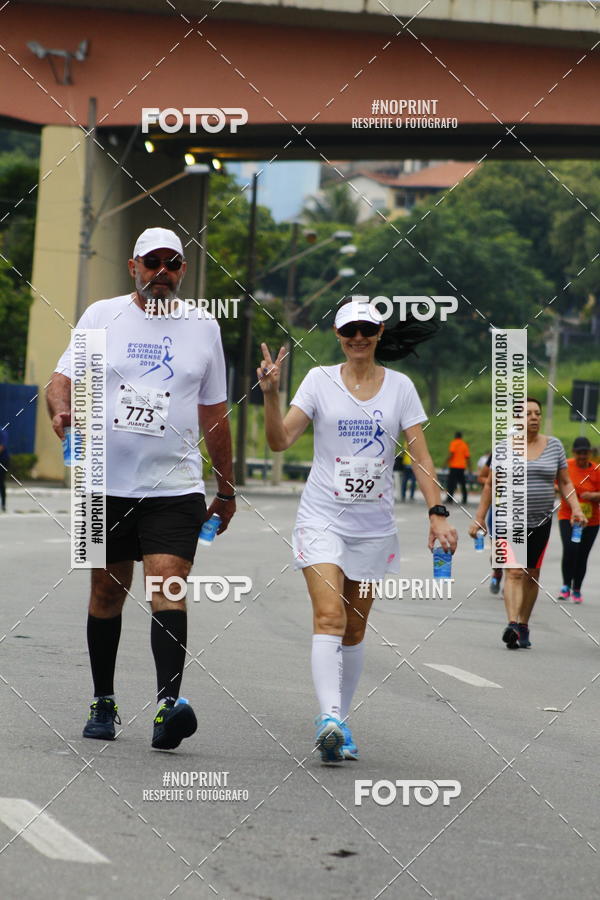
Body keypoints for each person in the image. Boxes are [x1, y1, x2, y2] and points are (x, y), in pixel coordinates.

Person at [47, 227, 236, 749]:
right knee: (107, 590)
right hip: (102, 482)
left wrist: (226, 487)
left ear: (183, 270)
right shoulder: (100, 317)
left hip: (174, 485)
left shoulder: (203, 327)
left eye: (172, 264)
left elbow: (214, 412)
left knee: (167, 584)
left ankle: (167, 708)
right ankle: (103, 701)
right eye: (152, 262)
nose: (162, 273)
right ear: (133, 265)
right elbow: (60, 379)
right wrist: (61, 408)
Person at [258, 297, 457, 762]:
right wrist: (269, 395)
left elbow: (420, 457)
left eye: (367, 329)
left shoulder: (401, 388)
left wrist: (437, 512)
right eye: (350, 331)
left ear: (380, 332)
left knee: (353, 628)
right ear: (337, 334)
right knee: (329, 616)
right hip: (322, 518)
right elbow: (279, 440)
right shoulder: (319, 381)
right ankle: (327, 716)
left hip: (374, 528)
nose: (359, 338)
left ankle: (340, 724)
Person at [470, 398, 585, 649]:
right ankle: (512, 623)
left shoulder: (554, 446)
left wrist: (575, 508)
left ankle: (523, 623)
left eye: (537, 413)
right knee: (514, 572)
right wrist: (479, 518)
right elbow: (490, 484)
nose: (534, 417)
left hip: (541, 521)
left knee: (532, 574)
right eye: (528, 413)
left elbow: (565, 481)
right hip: (509, 520)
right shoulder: (503, 448)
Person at [557, 436, 600, 603]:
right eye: (579, 453)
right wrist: (567, 493)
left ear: (590, 453)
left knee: (582, 554)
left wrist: (594, 495)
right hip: (568, 517)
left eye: (585, 453)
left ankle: (577, 589)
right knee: (570, 549)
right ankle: (566, 585)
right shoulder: (566, 466)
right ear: (574, 452)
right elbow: (556, 484)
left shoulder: (596, 470)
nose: (582, 456)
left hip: (591, 520)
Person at [477, 452, 503, 595]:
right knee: (497, 551)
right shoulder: (497, 455)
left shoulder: (532, 455)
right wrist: (495, 481)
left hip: (520, 511)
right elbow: (481, 477)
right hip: (498, 508)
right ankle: (497, 573)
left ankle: (513, 583)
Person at [445, 431, 471, 505]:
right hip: (462, 467)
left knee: (451, 484)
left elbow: (451, 453)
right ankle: (465, 499)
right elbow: (467, 457)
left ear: (455, 436)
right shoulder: (464, 444)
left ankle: (449, 499)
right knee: (462, 483)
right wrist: (470, 468)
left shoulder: (454, 443)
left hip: (454, 466)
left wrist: (445, 462)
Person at [0, 427, 8, 511]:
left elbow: (2, 446)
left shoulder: (2, 432)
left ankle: (3, 504)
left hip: (2, 460)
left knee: (1, 482)